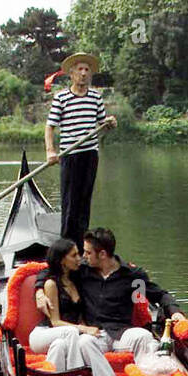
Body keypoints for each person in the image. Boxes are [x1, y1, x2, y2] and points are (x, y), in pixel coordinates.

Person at [28, 237, 126, 376]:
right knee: (71, 333)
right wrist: (84, 329)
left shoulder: (77, 280)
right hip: (43, 333)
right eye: (74, 255)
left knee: (61, 346)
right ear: (62, 260)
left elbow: (79, 316)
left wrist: (88, 329)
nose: (79, 258)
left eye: (80, 254)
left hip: (63, 337)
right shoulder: (51, 284)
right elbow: (55, 322)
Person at [75, 227, 188, 374]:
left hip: (121, 334)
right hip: (95, 335)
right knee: (84, 342)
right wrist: (39, 290)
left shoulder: (132, 276)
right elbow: (53, 269)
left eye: (88, 252)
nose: (84, 256)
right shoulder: (83, 270)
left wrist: (175, 313)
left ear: (102, 254)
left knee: (143, 336)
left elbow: (159, 295)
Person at [45, 53, 116, 248]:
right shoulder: (61, 98)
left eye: (87, 70)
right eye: (80, 70)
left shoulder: (95, 97)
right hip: (70, 155)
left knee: (84, 202)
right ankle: (66, 248)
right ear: (72, 74)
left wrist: (110, 122)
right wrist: (51, 151)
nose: (84, 73)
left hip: (90, 155)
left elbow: (102, 123)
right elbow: (50, 126)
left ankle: (81, 247)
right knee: (70, 203)